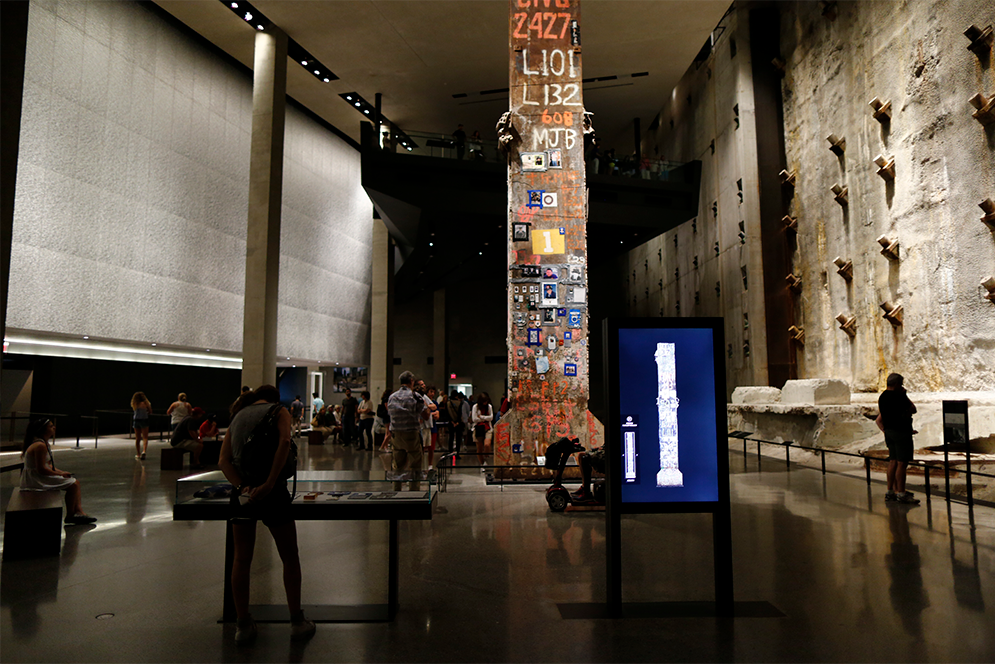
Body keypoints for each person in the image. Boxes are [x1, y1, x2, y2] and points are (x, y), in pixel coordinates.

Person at [218, 385, 315, 645]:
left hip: (243, 495)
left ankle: (243, 625)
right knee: (289, 556)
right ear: (273, 399)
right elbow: (284, 441)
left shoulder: (238, 414)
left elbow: (223, 460)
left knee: (242, 559)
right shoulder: (279, 411)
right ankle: (296, 621)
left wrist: (242, 487)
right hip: (273, 493)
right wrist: (270, 483)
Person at [20, 419, 96, 525]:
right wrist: (60, 474)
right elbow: (41, 469)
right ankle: (71, 515)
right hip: (35, 480)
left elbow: (49, 465)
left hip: (38, 476)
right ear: (42, 430)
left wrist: (62, 472)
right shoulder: (40, 446)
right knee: (73, 485)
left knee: (75, 483)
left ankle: (79, 512)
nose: (54, 427)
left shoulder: (44, 444)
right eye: (51, 426)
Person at [876, 373, 920, 505]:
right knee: (902, 463)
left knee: (893, 461)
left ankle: (890, 491)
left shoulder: (882, 396)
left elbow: (884, 417)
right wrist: (904, 395)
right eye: (901, 384)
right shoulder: (898, 396)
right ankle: (901, 493)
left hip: (889, 432)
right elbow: (913, 409)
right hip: (901, 433)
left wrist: (887, 430)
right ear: (896, 384)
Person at [385, 371, 428, 490]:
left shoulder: (392, 397)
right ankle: (413, 491)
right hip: (411, 434)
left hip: (396, 434)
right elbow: (426, 415)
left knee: (397, 465)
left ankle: (396, 490)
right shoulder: (415, 396)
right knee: (415, 465)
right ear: (411, 382)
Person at [414, 380, 438, 469]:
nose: (424, 386)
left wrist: (426, 406)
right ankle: (418, 466)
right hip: (419, 426)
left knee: (429, 446)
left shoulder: (424, 397)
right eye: (421, 385)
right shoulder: (414, 396)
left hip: (427, 426)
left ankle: (429, 466)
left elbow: (434, 406)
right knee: (420, 448)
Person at [471, 393, 494, 472]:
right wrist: (485, 419)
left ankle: (486, 455)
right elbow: (474, 419)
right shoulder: (475, 407)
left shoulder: (489, 407)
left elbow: (491, 418)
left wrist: (481, 417)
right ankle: (482, 463)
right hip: (478, 428)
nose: (485, 403)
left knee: (487, 444)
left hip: (487, 428)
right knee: (479, 448)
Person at [131, 391, 152, 460]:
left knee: (137, 438)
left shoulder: (134, 403)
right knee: (145, 437)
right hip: (144, 420)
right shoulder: (146, 403)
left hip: (136, 420)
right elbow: (150, 411)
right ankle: (144, 451)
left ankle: (138, 453)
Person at [447, 391, 464, 456]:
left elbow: (447, 413)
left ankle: (450, 451)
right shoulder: (459, 403)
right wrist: (457, 422)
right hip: (458, 423)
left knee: (451, 437)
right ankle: (457, 452)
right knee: (458, 438)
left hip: (451, 422)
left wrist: (451, 421)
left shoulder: (448, 403)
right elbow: (460, 413)